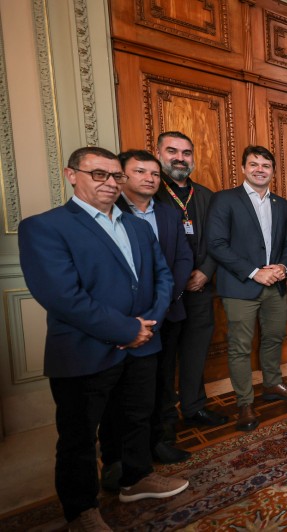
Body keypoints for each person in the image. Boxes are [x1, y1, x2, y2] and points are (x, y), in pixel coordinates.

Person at [19, 147, 188, 531]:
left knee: (136, 418)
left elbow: (163, 278)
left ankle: (136, 478)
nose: (110, 183)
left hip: (145, 343)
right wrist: (126, 330)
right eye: (99, 175)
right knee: (79, 438)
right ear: (72, 175)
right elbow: (63, 296)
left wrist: (149, 324)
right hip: (84, 350)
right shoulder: (44, 227)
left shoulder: (138, 226)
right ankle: (81, 510)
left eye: (116, 176)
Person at [99, 151, 194, 490]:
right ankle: (114, 459)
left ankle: (157, 443)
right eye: (140, 171)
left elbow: (181, 259)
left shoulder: (169, 214)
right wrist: (134, 321)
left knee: (158, 383)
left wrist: (160, 307)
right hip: (118, 322)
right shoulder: (109, 213)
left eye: (154, 173)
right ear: (122, 177)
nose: (150, 178)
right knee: (114, 395)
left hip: (164, 313)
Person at [207, 145, 287, 432]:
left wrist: (283, 267)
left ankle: (272, 384)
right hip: (240, 285)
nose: (260, 169)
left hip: (275, 284)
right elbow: (216, 244)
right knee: (240, 347)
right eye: (254, 164)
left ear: (273, 171)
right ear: (244, 169)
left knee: (273, 338)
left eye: (266, 165)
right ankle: (244, 402)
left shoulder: (281, 205)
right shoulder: (224, 200)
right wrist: (254, 272)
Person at [154, 131, 228, 429]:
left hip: (200, 288)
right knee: (163, 357)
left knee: (195, 352)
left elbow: (217, 241)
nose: (180, 158)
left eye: (186, 153)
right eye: (172, 151)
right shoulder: (151, 192)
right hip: (165, 291)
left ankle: (195, 407)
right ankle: (163, 417)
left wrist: (205, 272)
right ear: (158, 153)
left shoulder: (207, 196)